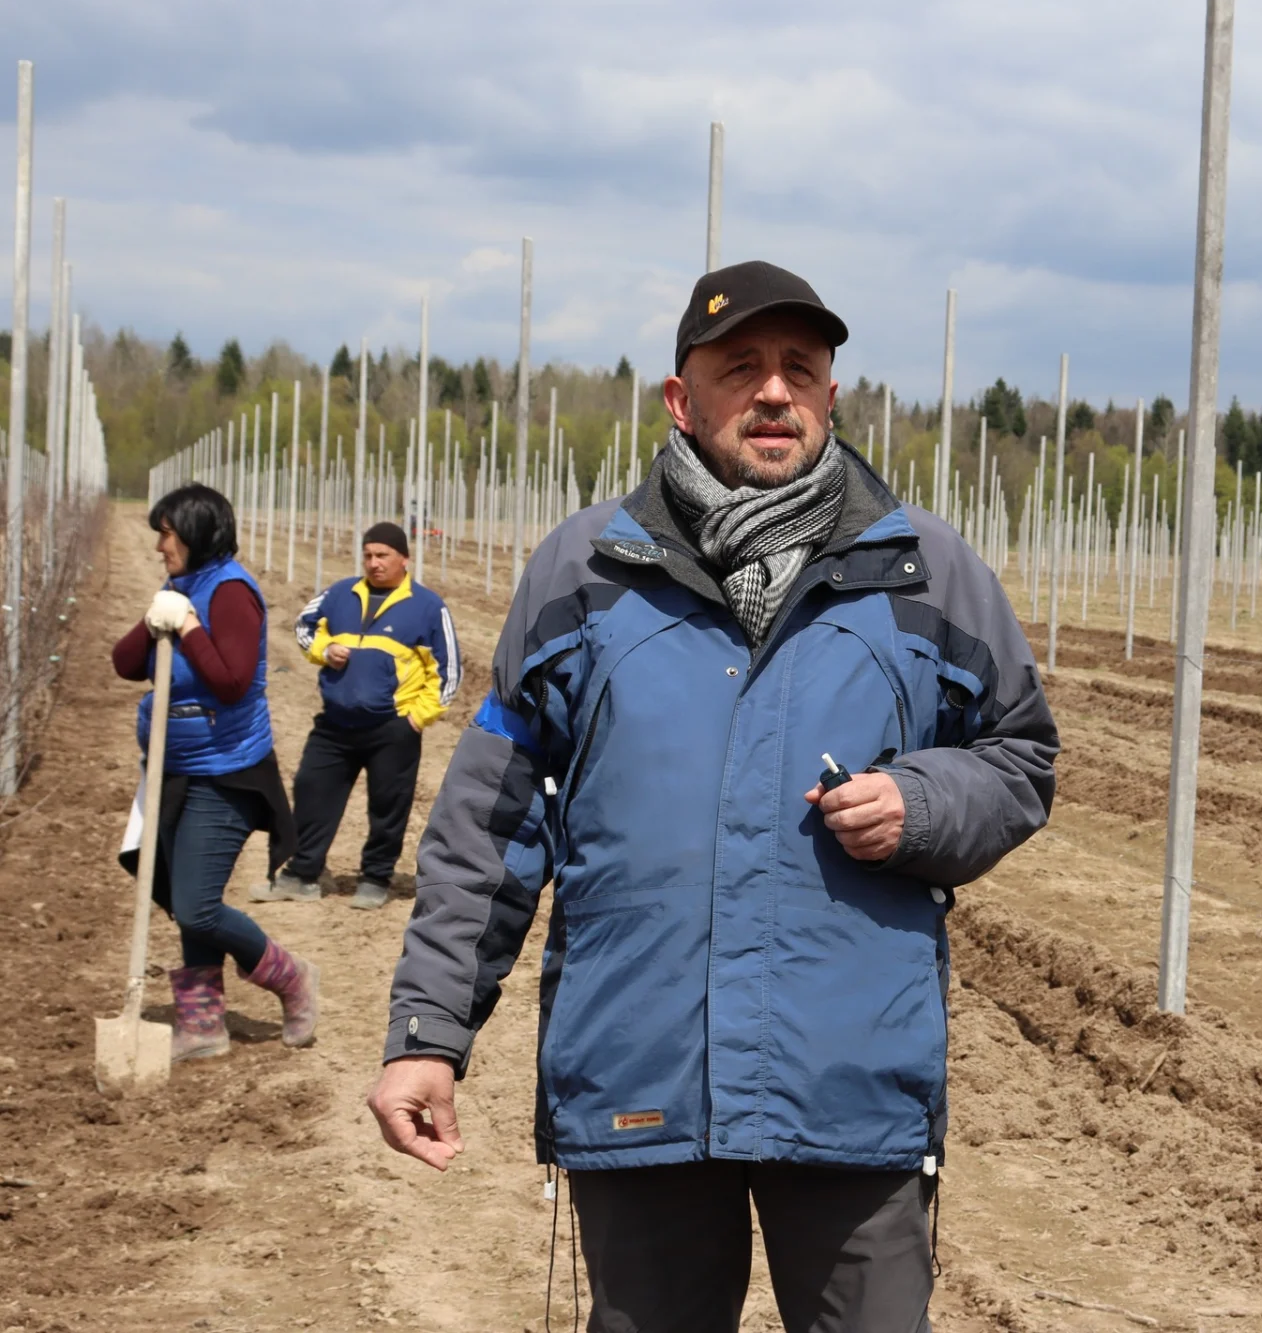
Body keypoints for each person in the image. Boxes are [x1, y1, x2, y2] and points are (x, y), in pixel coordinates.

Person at [367, 260, 1057, 1333]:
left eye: (800, 369)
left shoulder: (925, 573)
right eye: (743, 368)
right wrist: (426, 1033)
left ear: (832, 396)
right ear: (682, 400)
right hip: (639, 1073)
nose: (774, 392)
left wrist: (924, 803)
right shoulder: (585, 572)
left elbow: (1020, 757)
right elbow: (492, 823)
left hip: (848, 1084)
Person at [111, 483, 318, 1062]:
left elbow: (229, 682)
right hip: (174, 768)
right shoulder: (181, 587)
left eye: (167, 533)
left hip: (226, 772)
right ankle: (201, 1022)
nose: (158, 545)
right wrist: (157, 619)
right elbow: (126, 664)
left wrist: (189, 628)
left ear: (198, 532)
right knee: (184, 897)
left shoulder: (230, 593)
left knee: (199, 903)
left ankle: (292, 977)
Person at [266, 521, 459, 911]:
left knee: (388, 805)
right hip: (336, 723)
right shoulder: (339, 594)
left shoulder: (427, 607)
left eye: (383, 555)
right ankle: (302, 872)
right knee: (311, 791)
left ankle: (375, 877)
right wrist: (325, 649)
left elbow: (449, 671)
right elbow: (304, 626)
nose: (374, 563)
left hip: (393, 726)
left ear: (405, 558)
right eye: (368, 555)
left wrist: (416, 718)